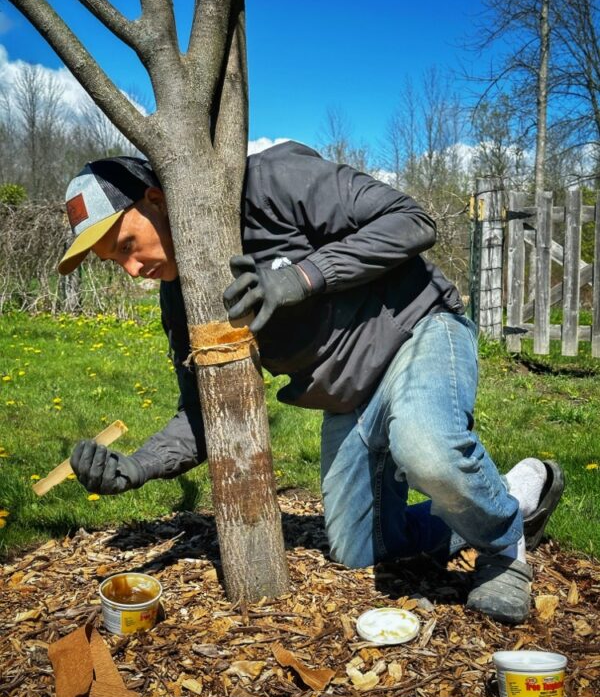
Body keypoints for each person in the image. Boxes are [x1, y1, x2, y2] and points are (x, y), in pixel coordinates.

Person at [59, 143, 564, 624]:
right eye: (114, 261)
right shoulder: (182, 297)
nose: (132, 270)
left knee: (427, 449)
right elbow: (201, 413)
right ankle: (516, 495)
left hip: (418, 330)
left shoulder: (269, 183)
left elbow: (413, 221)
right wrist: (136, 468)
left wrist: (301, 277)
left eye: (127, 245)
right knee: (361, 548)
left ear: (155, 198)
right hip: (350, 400)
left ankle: (504, 550)